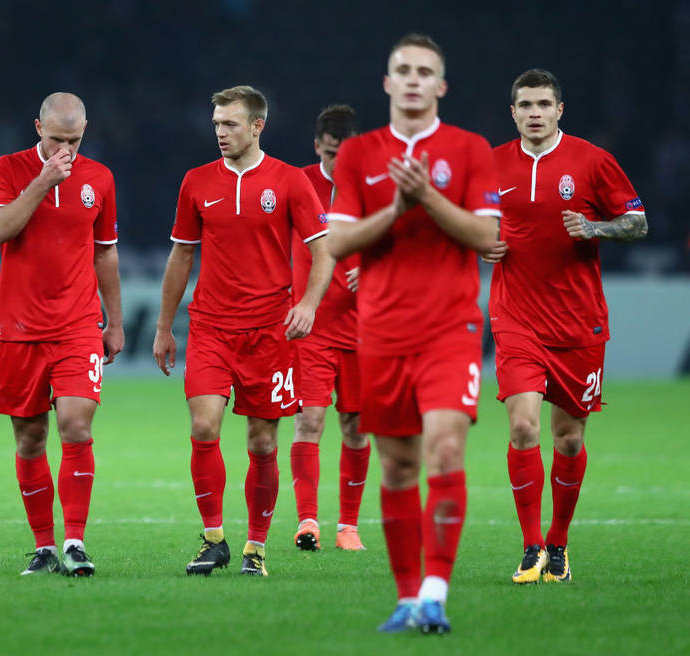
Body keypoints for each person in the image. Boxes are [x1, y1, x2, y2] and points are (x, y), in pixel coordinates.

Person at [327, 34, 501, 634]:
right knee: (398, 467)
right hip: (380, 331)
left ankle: (435, 593)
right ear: (387, 81)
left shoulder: (469, 149)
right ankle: (406, 600)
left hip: (451, 328)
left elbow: (487, 237)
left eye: (425, 72)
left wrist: (425, 196)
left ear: (440, 86)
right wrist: (396, 209)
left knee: (445, 450)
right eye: (402, 70)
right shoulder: (358, 154)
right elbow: (338, 242)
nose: (412, 79)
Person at [153, 85, 334, 577]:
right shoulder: (196, 181)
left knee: (262, 442)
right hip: (210, 327)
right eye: (216, 124)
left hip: (270, 332)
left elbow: (323, 251)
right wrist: (165, 326)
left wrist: (308, 304)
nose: (220, 132)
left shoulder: (290, 181)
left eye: (229, 124)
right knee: (203, 426)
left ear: (257, 127)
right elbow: (182, 255)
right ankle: (214, 539)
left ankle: (256, 547)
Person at [483, 69, 648, 585]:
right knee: (523, 427)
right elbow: (469, 220)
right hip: (516, 316)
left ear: (559, 110)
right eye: (525, 105)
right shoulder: (492, 163)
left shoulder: (592, 161)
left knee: (569, 438)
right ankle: (531, 546)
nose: (534, 113)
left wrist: (594, 226)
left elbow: (638, 222)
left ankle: (558, 542)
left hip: (578, 322)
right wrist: (479, 241)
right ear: (513, 112)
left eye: (543, 104)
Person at [0, 92, 124, 577]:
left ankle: (75, 543)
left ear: (85, 131)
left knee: (76, 426)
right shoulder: (7, 169)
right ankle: (43, 548)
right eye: (58, 139)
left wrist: (115, 321)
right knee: (30, 438)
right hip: (19, 329)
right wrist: (43, 181)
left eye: (75, 140)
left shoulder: (100, 177)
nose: (66, 149)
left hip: (77, 326)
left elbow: (105, 251)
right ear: (38, 127)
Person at [290, 104, 371, 552]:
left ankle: (348, 527)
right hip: (311, 327)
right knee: (310, 420)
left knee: (356, 427)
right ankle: (307, 522)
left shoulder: (376, 190)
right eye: (331, 152)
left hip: (362, 330)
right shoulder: (298, 183)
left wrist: (375, 272)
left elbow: (402, 248)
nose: (339, 162)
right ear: (318, 146)